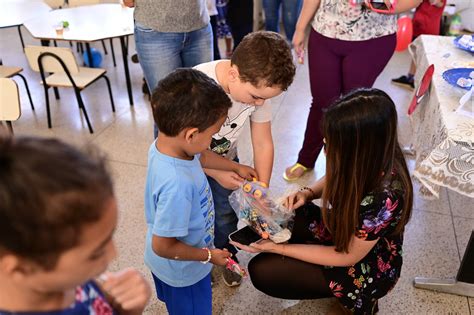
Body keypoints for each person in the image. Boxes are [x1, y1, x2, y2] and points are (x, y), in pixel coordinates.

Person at [232, 89, 414, 315]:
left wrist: (281, 248)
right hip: (346, 228)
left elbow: (348, 256)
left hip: (369, 264)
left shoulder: (385, 196)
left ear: (359, 145)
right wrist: (306, 193)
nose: (325, 142)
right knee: (286, 213)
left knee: (263, 271)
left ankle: (359, 296)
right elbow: (335, 176)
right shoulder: (368, 155)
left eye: (332, 140)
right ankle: (316, 260)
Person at [144, 68, 257, 315]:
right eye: (213, 133)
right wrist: (208, 256)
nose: (214, 138)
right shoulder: (178, 185)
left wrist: (235, 166)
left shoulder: (168, 145)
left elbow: (203, 155)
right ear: (192, 134)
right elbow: (163, 245)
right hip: (185, 272)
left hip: (169, 264)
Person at [0, 136, 151, 314]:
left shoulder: (65, 280)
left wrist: (125, 307)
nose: (113, 254)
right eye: (96, 253)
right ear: (22, 267)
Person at [194, 31, 296, 286]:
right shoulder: (198, 88)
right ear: (233, 74)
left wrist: (262, 187)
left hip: (225, 157)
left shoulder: (258, 88)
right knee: (195, 217)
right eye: (256, 97)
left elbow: (263, 143)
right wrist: (218, 172)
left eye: (266, 98)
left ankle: (227, 255)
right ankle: (198, 262)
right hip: (188, 164)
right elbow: (185, 150)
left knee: (225, 214)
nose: (260, 104)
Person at [284, 0, 422, 181]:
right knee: (322, 101)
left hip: (372, 36)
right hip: (325, 30)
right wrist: (300, 28)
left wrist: (384, 5)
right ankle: (306, 158)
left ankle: (348, 168)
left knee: (354, 107)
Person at [124, 0, 213, 135]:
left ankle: (198, 155)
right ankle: (169, 157)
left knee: (202, 107)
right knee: (167, 112)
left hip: (198, 24)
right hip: (155, 28)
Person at [392, 0, 446, 90]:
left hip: (428, 29)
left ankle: (420, 81)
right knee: (415, 54)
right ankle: (410, 78)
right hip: (418, 26)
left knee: (424, 56)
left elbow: (435, 2)